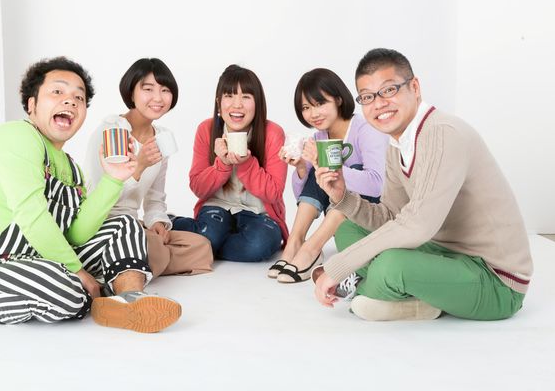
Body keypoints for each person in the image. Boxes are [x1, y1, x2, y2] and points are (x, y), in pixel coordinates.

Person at [0, 57, 181, 333]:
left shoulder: (71, 168)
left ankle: (130, 299)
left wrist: (114, 179)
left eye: (79, 98)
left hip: (42, 257)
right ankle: (97, 290)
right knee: (66, 289)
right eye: (57, 92)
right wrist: (77, 271)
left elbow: (77, 234)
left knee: (125, 225)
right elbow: (31, 215)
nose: (70, 101)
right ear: (32, 104)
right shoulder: (16, 136)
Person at [312, 48, 533, 321]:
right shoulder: (397, 144)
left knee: (391, 265)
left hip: (494, 280)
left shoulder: (444, 134)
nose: (379, 104)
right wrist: (343, 197)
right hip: (441, 251)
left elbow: (417, 225)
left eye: (388, 90)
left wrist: (338, 267)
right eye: (368, 97)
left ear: (414, 87)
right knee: (349, 228)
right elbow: (391, 217)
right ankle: (413, 297)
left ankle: (369, 288)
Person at [84, 58, 212, 277]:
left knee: (202, 245)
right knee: (154, 248)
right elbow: (98, 198)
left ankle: (133, 262)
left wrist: (157, 221)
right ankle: (131, 264)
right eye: (148, 89)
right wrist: (139, 166)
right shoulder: (112, 132)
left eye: (165, 90)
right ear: (131, 92)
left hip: (135, 224)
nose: (158, 98)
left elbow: (155, 197)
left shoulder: (162, 138)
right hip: (104, 226)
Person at [270, 68, 387, 283]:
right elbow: (305, 197)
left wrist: (324, 164)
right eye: (306, 108)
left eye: (320, 103)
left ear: (338, 100)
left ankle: (312, 249)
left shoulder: (366, 129)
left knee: (333, 167)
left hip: (372, 213)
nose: (313, 114)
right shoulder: (319, 137)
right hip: (338, 214)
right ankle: (294, 242)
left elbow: (377, 185)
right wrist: (302, 167)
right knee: (317, 171)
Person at [172, 65, 287, 262]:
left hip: (258, 213)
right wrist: (222, 164)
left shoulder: (273, 133)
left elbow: (274, 193)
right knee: (211, 235)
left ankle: (206, 245)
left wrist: (246, 163)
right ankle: (177, 225)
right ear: (219, 103)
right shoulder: (207, 129)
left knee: (259, 244)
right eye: (229, 96)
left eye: (246, 97)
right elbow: (198, 187)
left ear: (258, 104)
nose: (237, 105)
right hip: (217, 207)